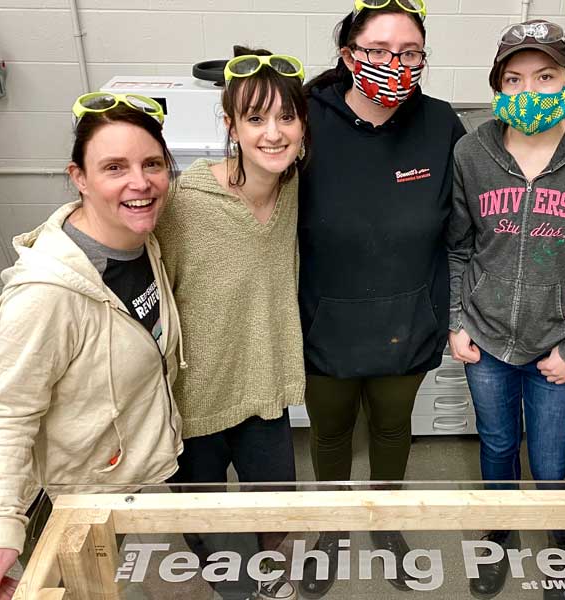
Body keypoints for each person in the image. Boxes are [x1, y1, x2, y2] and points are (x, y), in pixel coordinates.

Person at [0, 92, 183, 600]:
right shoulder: (46, 294)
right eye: (114, 167)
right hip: (71, 501)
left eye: (152, 164)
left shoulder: (141, 240)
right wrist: (1, 527)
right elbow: (7, 416)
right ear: (79, 178)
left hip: (123, 481)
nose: (140, 182)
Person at [446, 19, 565, 599]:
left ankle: (559, 550)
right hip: (487, 342)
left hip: (558, 347)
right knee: (497, 447)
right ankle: (496, 537)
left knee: (553, 465)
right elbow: (458, 247)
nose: (530, 90)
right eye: (515, 78)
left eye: (546, 76)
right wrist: (458, 320)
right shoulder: (471, 153)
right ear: (498, 86)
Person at [298, 0, 465, 596]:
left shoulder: (441, 124)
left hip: (407, 316)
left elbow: (463, 230)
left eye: (410, 52)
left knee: (394, 428)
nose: (395, 64)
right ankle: (334, 528)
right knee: (331, 430)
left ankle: (385, 523)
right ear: (348, 54)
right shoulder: (307, 122)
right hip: (325, 318)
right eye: (378, 51)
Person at [155, 47, 308, 600]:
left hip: (264, 389)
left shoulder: (292, 190)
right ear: (230, 126)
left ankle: (271, 581)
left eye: (286, 116)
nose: (273, 132)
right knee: (213, 537)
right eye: (255, 118)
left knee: (277, 513)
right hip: (194, 401)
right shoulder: (184, 205)